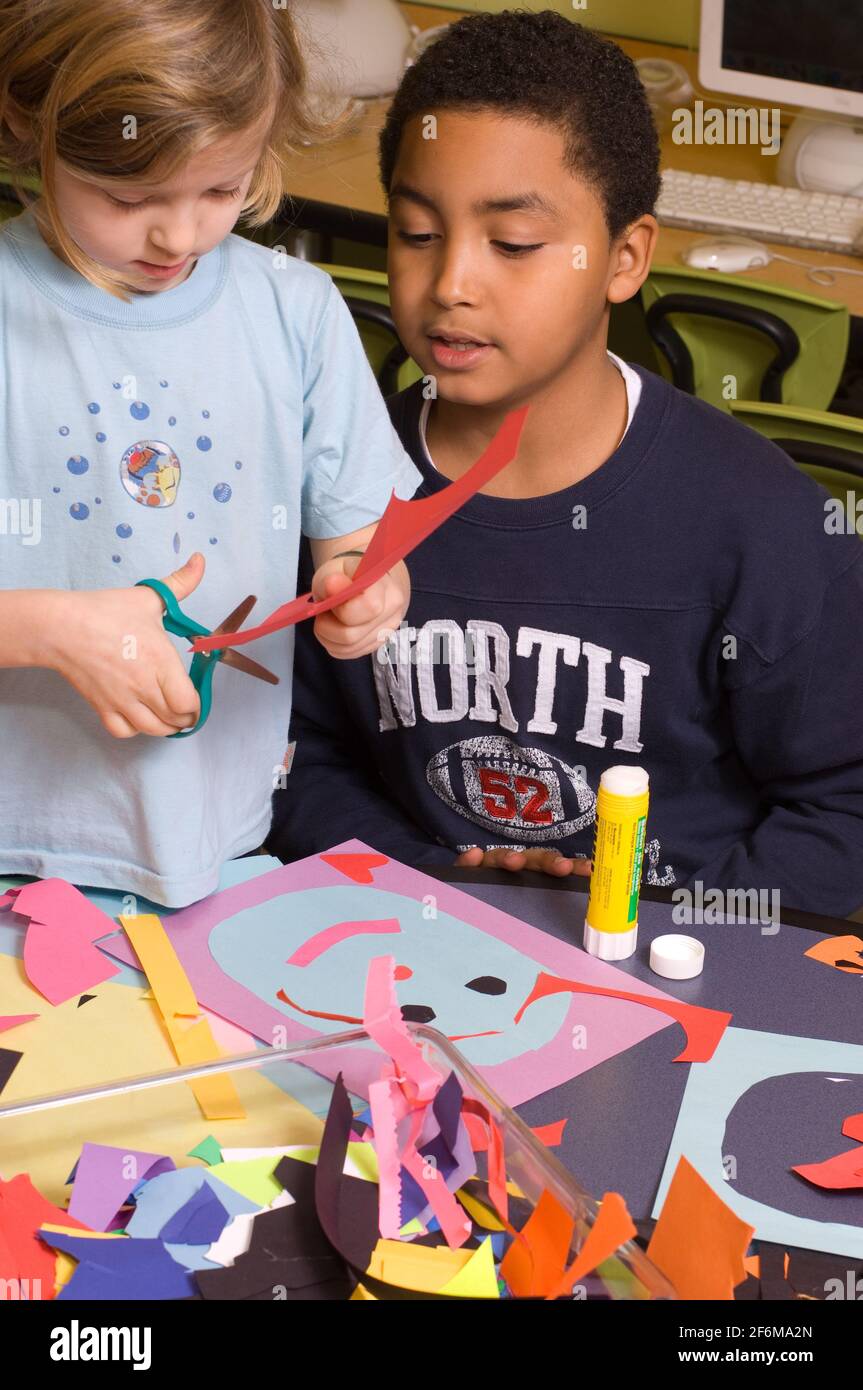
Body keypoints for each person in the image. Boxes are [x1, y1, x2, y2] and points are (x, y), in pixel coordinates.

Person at [269, 10, 863, 919]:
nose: (451, 283)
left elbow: (844, 813)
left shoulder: (760, 525)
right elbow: (290, 753)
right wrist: (429, 879)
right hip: (409, 945)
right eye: (416, 233)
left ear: (624, 257)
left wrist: (647, 913)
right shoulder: (331, 496)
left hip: (675, 966)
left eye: (512, 244)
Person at [0, 0, 421, 907]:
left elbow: (357, 539)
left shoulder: (294, 311)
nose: (179, 237)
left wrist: (364, 585)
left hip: (219, 846)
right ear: (27, 126)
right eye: (128, 198)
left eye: (222, 189)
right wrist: (46, 630)